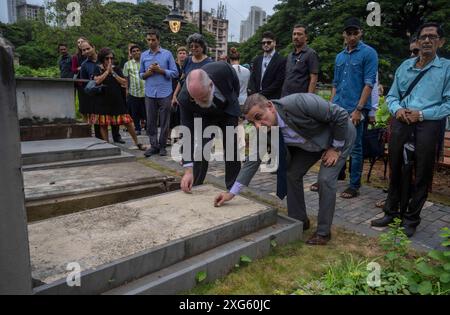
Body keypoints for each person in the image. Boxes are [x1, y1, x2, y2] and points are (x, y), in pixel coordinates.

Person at [214, 93, 356, 245]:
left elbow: (340, 114)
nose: (258, 125)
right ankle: (299, 222)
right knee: (292, 174)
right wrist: (231, 193)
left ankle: (323, 233)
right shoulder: (265, 129)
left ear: (270, 106)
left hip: (339, 137)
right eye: (252, 122)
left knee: (325, 180)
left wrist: (336, 147)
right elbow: (253, 160)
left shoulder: (299, 103)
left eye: (258, 116)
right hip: (310, 145)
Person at [371, 22, 450, 237]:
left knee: (421, 172)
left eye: (432, 37)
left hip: (428, 124)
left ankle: (411, 219)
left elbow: (448, 103)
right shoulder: (405, 66)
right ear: (417, 40)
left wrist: (422, 114)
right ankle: (391, 212)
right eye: (423, 36)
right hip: (401, 122)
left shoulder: (446, 68)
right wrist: (397, 110)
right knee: (396, 168)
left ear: (440, 42)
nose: (426, 40)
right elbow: (392, 96)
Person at [322, 17, 378, 199]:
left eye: (355, 33)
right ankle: (329, 178)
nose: (352, 37)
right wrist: (330, 106)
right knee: (332, 144)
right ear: (344, 35)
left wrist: (359, 109)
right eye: (349, 33)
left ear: (361, 33)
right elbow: (335, 84)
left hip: (356, 108)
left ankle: (354, 185)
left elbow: (369, 83)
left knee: (355, 147)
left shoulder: (369, 53)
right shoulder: (340, 56)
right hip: (338, 106)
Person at [178, 62, 242, 192]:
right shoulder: (184, 98)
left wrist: (232, 100)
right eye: (196, 100)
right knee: (202, 148)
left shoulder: (223, 69)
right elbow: (187, 133)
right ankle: (195, 182)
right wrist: (188, 170)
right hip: (205, 115)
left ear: (211, 85)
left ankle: (232, 188)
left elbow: (235, 86)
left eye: (203, 98)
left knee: (231, 148)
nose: (200, 102)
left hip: (227, 110)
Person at [92, 48, 144, 150]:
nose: (109, 60)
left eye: (111, 58)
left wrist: (113, 73)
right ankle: (107, 145)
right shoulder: (97, 68)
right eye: (107, 58)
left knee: (128, 122)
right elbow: (97, 81)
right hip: (102, 101)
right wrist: (107, 72)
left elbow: (124, 82)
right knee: (104, 124)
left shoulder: (116, 69)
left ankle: (137, 143)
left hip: (117, 100)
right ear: (102, 58)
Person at [139, 29, 179, 157]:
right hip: (150, 92)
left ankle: (162, 146)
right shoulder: (144, 55)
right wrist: (149, 73)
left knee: (165, 121)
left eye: (153, 40)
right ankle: (153, 145)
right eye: (149, 40)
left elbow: (175, 73)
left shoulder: (167, 54)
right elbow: (141, 74)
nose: (151, 42)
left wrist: (160, 70)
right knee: (150, 121)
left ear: (158, 40)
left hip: (165, 92)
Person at [172, 33, 213, 107]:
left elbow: (211, 84)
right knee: (185, 119)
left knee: (198, 119)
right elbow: (182, 79)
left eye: (196, 46)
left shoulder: (209, 62)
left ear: (202, 47)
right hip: (185, 99)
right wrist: (175, 95)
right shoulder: (187, 60)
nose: (193, 48)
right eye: (191, 46)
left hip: (200, 102)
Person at [281, 24, 319, 97]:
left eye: (299, 34)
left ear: (306, 37)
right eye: (294, 34)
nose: (296, 37)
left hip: (300, 100)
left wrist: (309, 99)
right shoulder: (290, 55)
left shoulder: (311, 54)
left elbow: (313, 80)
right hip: (285, 97)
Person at [248, 31, 286, 100]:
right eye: (263, 43)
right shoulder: (257, 59)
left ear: (274, 43)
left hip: (273, 98)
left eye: (269, 42)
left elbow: (278, 82)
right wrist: (255, 94)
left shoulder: (281, 60)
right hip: (257, 98)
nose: (266, 44)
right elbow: (252, 78)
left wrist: (260, 94)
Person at [123, 44, 146, 135]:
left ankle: (148, 127)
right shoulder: (127, 64)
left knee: (146, 111)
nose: (136, 52)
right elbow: (126, 78)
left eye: (137, 50)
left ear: (140, 52)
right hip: (133, 91)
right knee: (134, 111)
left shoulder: (145, 62)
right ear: (131, 53)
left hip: (146, 91)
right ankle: (137, 128)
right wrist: (126, 90)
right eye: (134, 51)